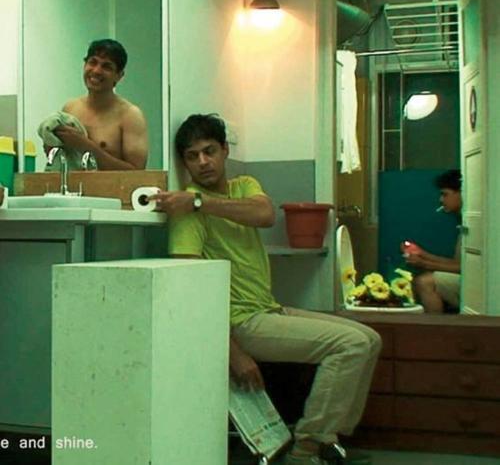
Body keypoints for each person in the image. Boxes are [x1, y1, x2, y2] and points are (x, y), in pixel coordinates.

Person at [154, 113, 382, 465]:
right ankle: (307, 449)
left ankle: (326, 438)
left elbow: (265, 215)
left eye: (209, 151)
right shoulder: (186, 213)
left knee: (369, 338)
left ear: (225, 150)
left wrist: (200, 202)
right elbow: (188, 292)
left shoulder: (239, 187)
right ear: (184, 162)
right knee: (351, 345)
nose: (202, 162)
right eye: (192, 156)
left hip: (266, 308)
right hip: (239, 322)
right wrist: (233, 353)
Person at [54, 39, 148, 170]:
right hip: (74, 183)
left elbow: (137, 173)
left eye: (106, 66)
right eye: (92, 62)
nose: (96, 71)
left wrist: (85, 146)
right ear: (84, 65)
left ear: (119, 76)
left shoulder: (130, 116)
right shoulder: (70, 108)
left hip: (114, 184)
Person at [403, 169, 462, 313]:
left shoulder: (477, 225)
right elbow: (459, 263)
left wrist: (424, 263)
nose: (441, 200)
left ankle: (435, 326)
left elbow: (465, 268)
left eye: (445, 194)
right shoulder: (464, 222)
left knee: (425, 282)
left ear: (461, 193)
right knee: (424, 278)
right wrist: (422, 254)